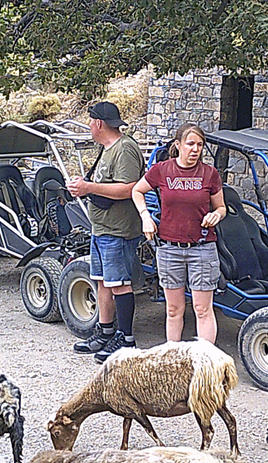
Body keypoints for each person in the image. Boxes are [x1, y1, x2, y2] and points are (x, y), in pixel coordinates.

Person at [132, 123, 225, 343]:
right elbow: (137, 190)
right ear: (178, 144)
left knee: (202, 309)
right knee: (173, 309)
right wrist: (145, 216)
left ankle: (205, 364)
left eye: (200, 145)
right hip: (169, 249)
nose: (195, 149)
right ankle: (172, 359)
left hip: (202, 248)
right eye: (190, 144)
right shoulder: (162, 169)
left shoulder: (209, 174)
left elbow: (221, 207)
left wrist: (217, 215)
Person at [67, 101, 144, 364]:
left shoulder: (125, 149)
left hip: (119, 230)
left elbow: (129, 188)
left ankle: (127, 339)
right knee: (102, 281)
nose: (89, 126)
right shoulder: (107, 149)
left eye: (90, 121)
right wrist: (85, 187)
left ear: (99, 123)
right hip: (101, 229)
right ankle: (105, 331)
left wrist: (88, 188)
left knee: (120, 284)